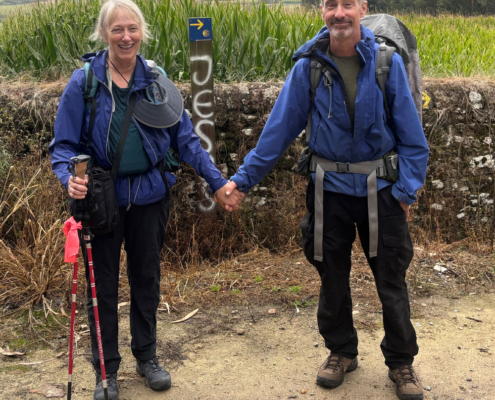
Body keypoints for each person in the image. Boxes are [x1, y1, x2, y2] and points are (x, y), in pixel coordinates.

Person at [226, 1, 429, 399]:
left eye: (347, 4)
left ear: (362, 9)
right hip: (327, 192)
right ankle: (341, 351)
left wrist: (406, 190)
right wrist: (242, 181)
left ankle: (401, 363)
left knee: (391, 278)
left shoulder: (387, 64)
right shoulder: (309, 67)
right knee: (331, 274)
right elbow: (277, 132)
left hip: (381, 192)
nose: (339, 12)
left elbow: (412, 135)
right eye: (331, 4)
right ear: (322, 11)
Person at [49, 1, 243, 399]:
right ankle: (106, 370)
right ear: (104, 34)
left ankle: (147, 356)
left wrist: (218, 182)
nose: (125, 37)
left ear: (142, 33)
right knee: (101, 285)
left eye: (132, 29)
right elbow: (63, 146)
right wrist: (69, 178)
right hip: (101, 199)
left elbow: (186, 139)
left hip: (151, 196)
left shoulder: (156, 81)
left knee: (146, 280)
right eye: (117, 29)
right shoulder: (84, 82)